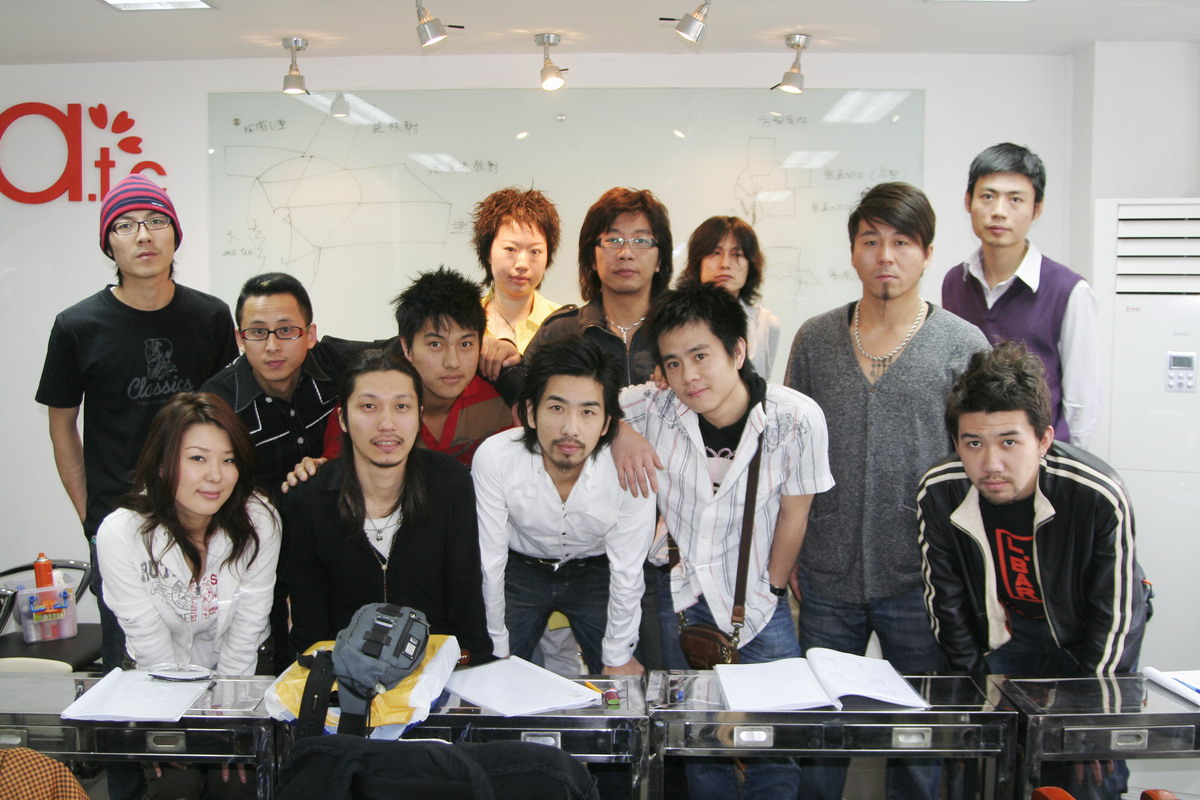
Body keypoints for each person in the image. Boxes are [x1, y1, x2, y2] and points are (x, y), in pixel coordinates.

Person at [784, 182, 988, 800]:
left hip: (922, 577)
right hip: (826, 572)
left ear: (927, 253)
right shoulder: (815, 338)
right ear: (853, 251)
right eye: (871, 241)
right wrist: (789, 553)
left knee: (917, 743)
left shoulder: (963, 345)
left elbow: (980, 463)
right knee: (817, 741)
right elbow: (788, 454)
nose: (885, 256)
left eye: (902, 242)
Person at [622, 282, 833, 799]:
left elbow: (796, 513)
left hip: (760, 601)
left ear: (738, 350)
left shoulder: (796, 418)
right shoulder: (655, 409)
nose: (688, 376)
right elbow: (590, 403)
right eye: (673, 363)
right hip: (680, 599)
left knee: (774, 740)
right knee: (698, 740)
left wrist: (773, 587)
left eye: (701, 356)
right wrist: (620, 432)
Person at [917, 341, 1150, 799]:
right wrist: (974, 700)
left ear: (1043, 440)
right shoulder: (940, 491)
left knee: (1086, 774)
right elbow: (946, 606)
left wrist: (1091, 715)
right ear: (956, 443)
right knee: (978, 771)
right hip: (1005, 639)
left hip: (1086, 644)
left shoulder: (1096, 494)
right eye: (973, 443)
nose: (991, 464)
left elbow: (1117, 615)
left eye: (1009, 442)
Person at [35, 173, 237, 675]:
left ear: (175, 235)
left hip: (204, 520)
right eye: (125, 225)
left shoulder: (210, 317)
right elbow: (63, 424)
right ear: (109, 243)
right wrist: (91, 515)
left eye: (155, 222)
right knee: (130, 664)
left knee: (215, 654)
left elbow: (228, 417)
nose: (143, 235)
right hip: (121, 521)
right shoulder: (77, 326)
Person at [526, 187, 681, 671]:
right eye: (612, 239)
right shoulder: (562, 332)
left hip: (671, 542)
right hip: (585, 548)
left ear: (661, 256)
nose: (626, 252)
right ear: (592, 255)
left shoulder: (685, 331)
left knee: (662, 681)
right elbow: (529, 417)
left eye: (641, 240)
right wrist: (616, 431)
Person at [96, 392, 279, 800]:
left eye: (228, 460)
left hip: (239, 672)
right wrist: (171, 722)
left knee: (236, 785)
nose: (216, 476)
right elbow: (147, 639)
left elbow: (249, 625)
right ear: (162, 464)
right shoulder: (121, 534)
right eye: (198, 458)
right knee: (177, 784)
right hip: (157, 678)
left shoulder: (259, 519)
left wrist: (231, 719)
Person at [201, 271, 366, 670]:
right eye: (258, 332)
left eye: (286, 330)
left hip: (340, 540)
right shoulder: (219, 404)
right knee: (271, 661)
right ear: (240, 339)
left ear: (310, 335)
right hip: (258, 553)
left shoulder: (341, 364)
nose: (273, 346)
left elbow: (410, 350)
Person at [284, 348, 492, 664]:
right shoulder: (309, 499)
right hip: (346, 673)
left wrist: (475, 664)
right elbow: (309, 621)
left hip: (434, 667)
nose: (386, 424)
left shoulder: (449, 483)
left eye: (401, 406)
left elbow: (466, 596)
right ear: (342, 418)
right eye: (368, 406)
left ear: (419, 415)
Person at [473, 336, 655, 675]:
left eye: (588, 412)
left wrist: (617, 656)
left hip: (596, 571)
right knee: (488, 672)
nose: (570, 429)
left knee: (625, 675)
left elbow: (628, 570)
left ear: (607, 423)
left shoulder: (629, 469)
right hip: (520, 568)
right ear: (531, 413)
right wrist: (496, 649)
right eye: (556, 408)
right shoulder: (495, 458)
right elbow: (490, 560)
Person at [942, 142, 1102, 448]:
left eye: (1015, 199)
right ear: (968, 201)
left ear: (1037, 208)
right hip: (969, 457)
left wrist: (1060, 466)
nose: (999, 212)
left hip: (1038, 463)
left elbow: (1082, 405)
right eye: (987, 197)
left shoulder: (1068, 290)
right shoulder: (955, 282)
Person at [319, 267, 517, 468]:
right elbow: (334, 473)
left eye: (465, 344)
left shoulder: (499, 403)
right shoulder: (364, 405)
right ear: (407, 347)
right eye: (435, 344)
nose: (452, 362)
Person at [677, 215, 780, 379]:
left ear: (750, 264)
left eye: (737, 254)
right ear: (698, 261)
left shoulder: (766, 323)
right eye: (715, 253)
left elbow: (764, 385)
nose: (725, 264)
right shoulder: (674, 319)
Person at [472, 187, 563, 352]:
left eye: (534, 251)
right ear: (488, 253)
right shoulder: (462, 322)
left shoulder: (565, 324)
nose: (522, 264)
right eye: (510, 249)